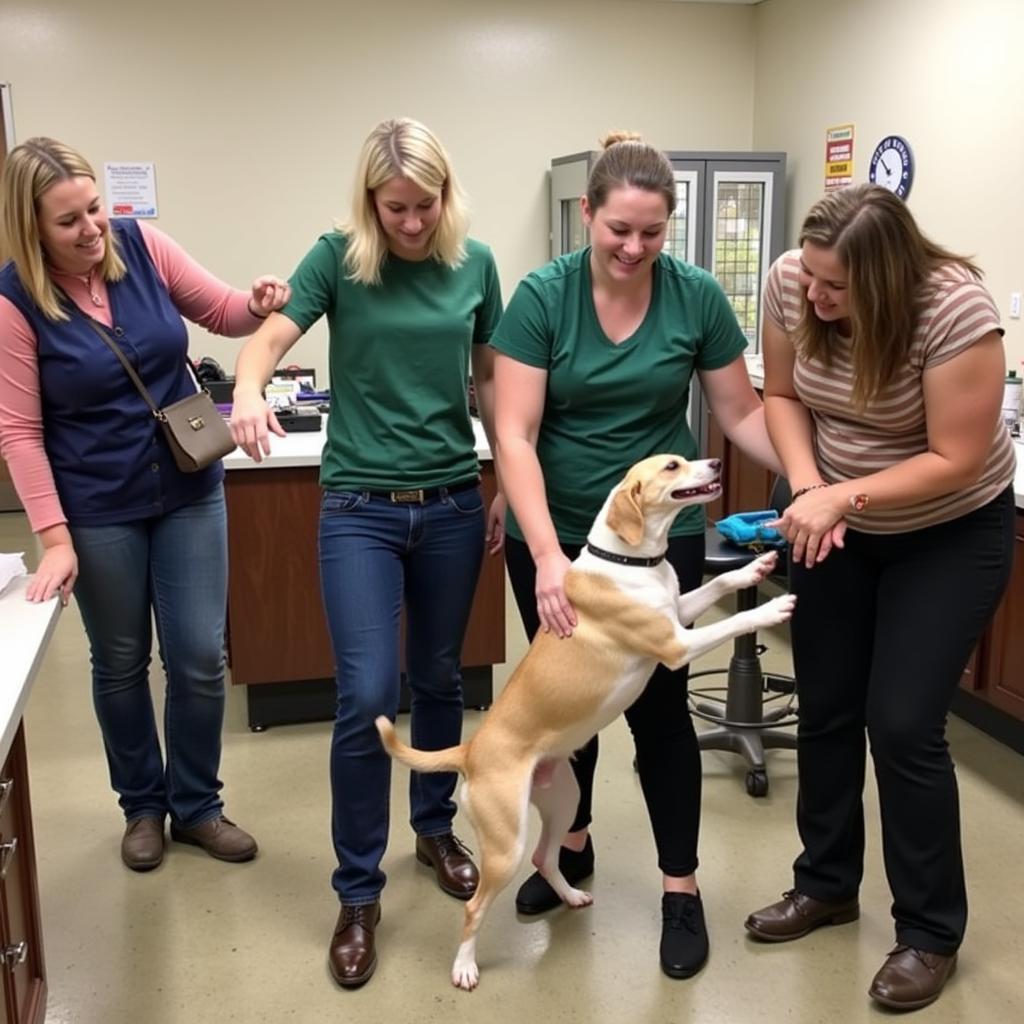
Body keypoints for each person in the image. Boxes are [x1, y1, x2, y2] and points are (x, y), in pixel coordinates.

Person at [490, 131, 781, 980]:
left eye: (651, 233)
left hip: (662, 537)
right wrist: (547, 557)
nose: (632, 247)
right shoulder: (543, 298)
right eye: (618, 229)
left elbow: (741, 414)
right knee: (572, 699)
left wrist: (811, 478)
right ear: (588, 213)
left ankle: (680, 888)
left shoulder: (693, 298)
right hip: (559, 535)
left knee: (658, 712)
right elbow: (513, 431)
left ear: (670, 227)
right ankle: (571, 846)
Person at [229, 117, 503, 990]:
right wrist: (246, 389)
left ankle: (432, 827)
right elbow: (273, 336)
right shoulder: (338, 258)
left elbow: (491, 375)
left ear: (444, 196)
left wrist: (506, 477)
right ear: (369, 200)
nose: (412, 223)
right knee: (363, 694)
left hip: (455, 501)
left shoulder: (477, 264)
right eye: (395, 207)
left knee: (441, 678)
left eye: (425, 205)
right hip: (359, 508)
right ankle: (358, 893)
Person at [745, 183, 1015, 1011]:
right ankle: (825, 885)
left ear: (889, 276)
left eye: (837, 288)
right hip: (837, 520)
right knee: (827, 705)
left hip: (948, 532)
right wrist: (808, 485)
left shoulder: (954, 312)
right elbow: (783, 396)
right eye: (813, 281)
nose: (815, 298)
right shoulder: (794, 280)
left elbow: (957, 456)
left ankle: (929, 933)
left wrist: (844, 498)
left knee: (900, 723)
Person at [0, 137, 291, 872]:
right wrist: (54, 538)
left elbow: (223, 312)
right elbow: (20, 430)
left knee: (197, 655)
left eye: (94, 208)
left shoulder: (141, 244)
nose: (92, 229)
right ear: (32, 228)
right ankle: (141, 805)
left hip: (188, 485)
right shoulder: (14, 302)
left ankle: (197, 806)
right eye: (68, 222)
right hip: (98, 507)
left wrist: (254, 303)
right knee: (121, 661)